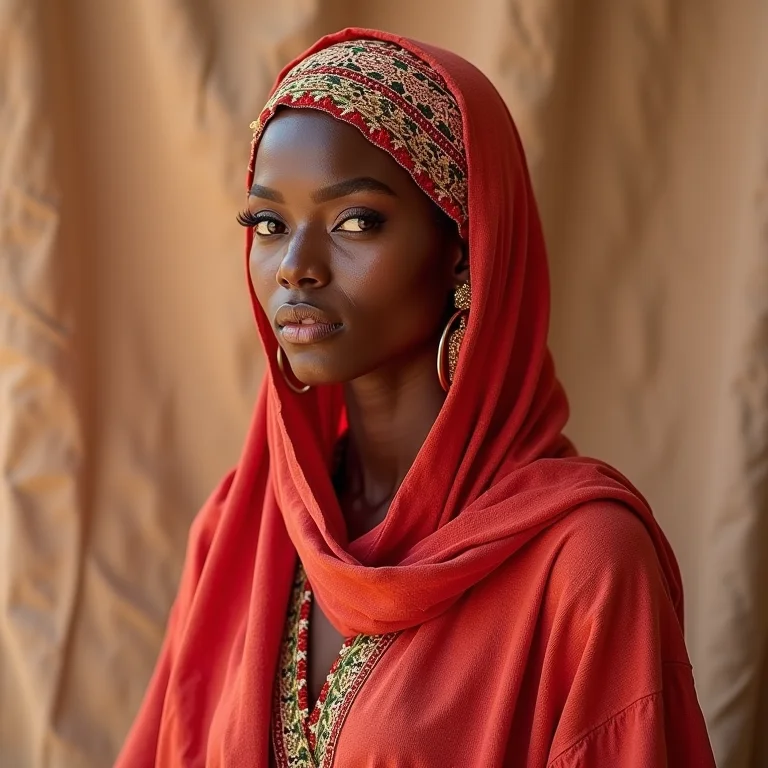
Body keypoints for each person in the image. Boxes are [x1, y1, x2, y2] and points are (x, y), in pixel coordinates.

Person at [115, 28, 716, 768]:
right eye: (268, 224)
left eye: (355, 221)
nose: (294, 267)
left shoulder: (585, 564)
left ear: (462, 248)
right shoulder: (244, 526)